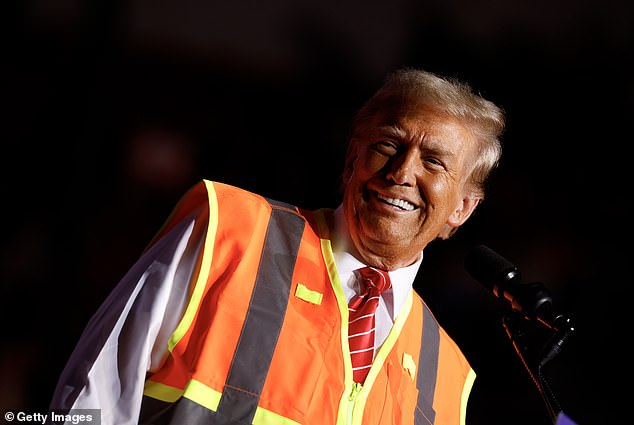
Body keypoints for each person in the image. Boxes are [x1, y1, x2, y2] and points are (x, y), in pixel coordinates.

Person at [49, 67, 505, 425]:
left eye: (433, 162)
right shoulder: (230, 231)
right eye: (388, 145)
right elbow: (90, 399)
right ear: (351, 159)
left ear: (461, 209)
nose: (402, 172)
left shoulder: (446, 375)